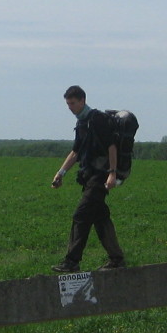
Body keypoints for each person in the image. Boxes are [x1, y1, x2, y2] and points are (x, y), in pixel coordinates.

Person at [50, 85, 126, 272]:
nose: (70, 108)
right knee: (100, 218)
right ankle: (117, 259)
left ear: (82, 100)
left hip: (101, 176)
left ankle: (72, 261)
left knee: (81, 215)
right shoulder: (82, 123)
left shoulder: (97, 119)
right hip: (89, 176)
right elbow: (76, 151)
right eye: (68, 104)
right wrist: (61, 173)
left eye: (72, 103)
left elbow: (111, 147)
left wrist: (112, 173)